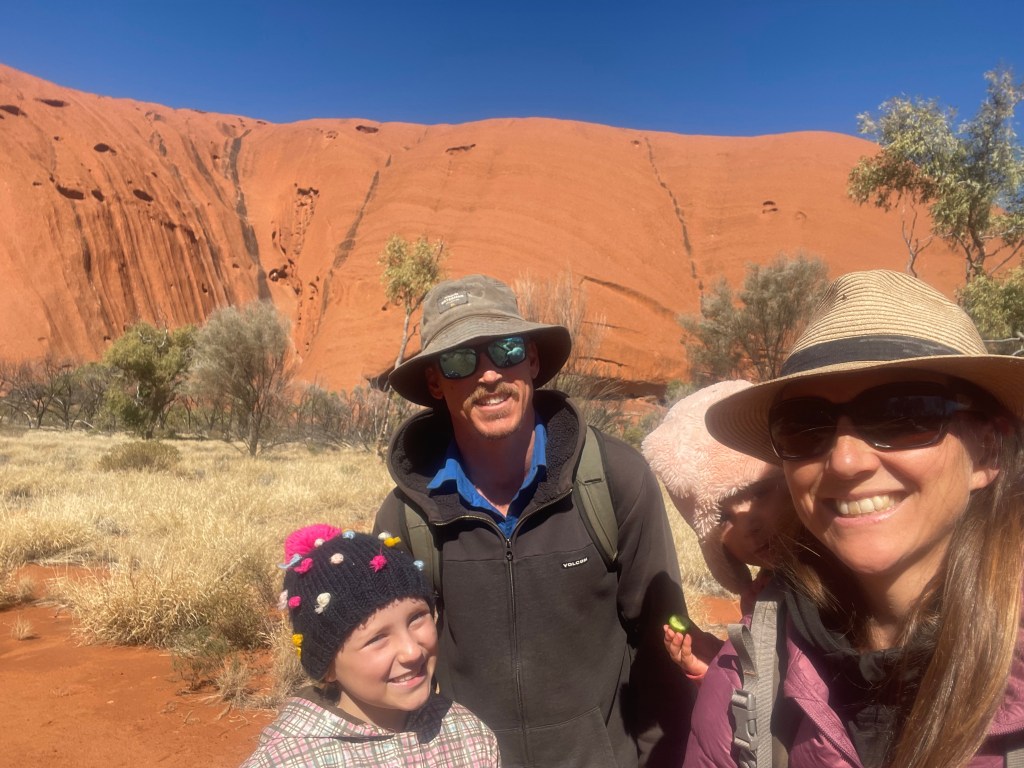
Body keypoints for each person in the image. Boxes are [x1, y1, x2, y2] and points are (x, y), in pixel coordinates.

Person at [685, 269, 1024, 768]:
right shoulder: (749, 673)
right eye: (806, 425)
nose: (845, 462)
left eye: (902, 415)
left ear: (987, 451)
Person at [373, 274, 692, 768]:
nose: (488, 375)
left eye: (506, 350)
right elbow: (388, 670)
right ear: (435, 382)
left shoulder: (613, 479)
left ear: (533, 361)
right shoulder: (408, 514)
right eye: (460, 360)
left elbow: (663, 642)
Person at [241, 525, 501, 767]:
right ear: (327, 667)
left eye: (417, 618)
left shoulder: (470, 736)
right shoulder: (288, 761)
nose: (412, 651)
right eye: (376, 638)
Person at [642, 380, 796, 682]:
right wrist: (716, 665)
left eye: (759, 493)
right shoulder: (766, 590)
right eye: (723, 517)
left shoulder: (836, 587)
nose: (749, 526)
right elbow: (766, 688)